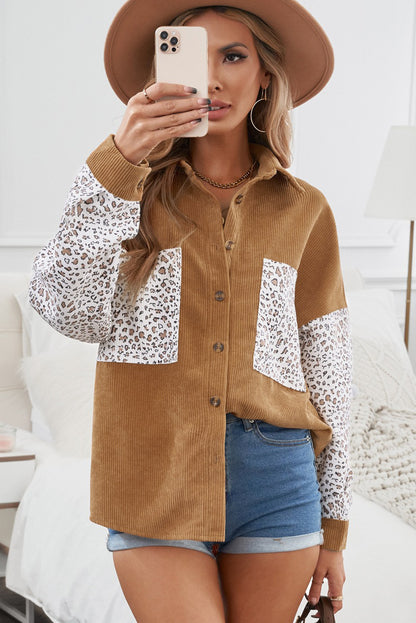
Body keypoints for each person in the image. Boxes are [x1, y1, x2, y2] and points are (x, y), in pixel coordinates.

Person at [28, 1, 353, 621]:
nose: (214, 77)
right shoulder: (128, 190)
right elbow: (64, 306)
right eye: (192, 57)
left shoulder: (305, 210)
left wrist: (335, 530)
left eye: (234, 56)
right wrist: (120, 157)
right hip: (152, 471)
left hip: (277, 477)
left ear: (264, 77)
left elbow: (330, 378)